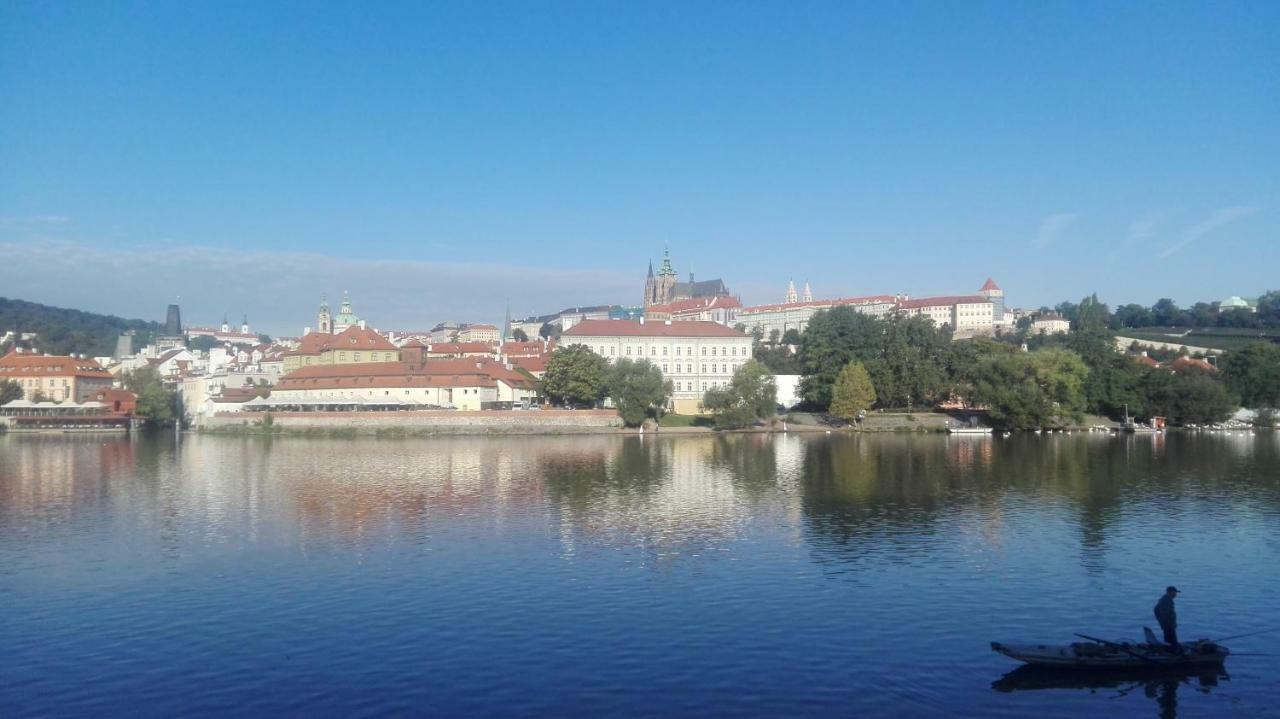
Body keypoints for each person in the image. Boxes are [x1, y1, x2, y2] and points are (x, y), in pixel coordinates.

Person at [1154, 586, 1181, 653]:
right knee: (1173, 641)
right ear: (1169, 592)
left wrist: (1160, 621)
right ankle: (1173, 653)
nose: (1175, 594)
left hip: (1166, 624)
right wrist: (1168, 623)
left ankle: (1169, 651)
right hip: (1169, 625)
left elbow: (1156, 610)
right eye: (1174, 592)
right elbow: (1167, 614)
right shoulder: (1166, 600)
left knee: (1168, 640)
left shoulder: (1165, 599)